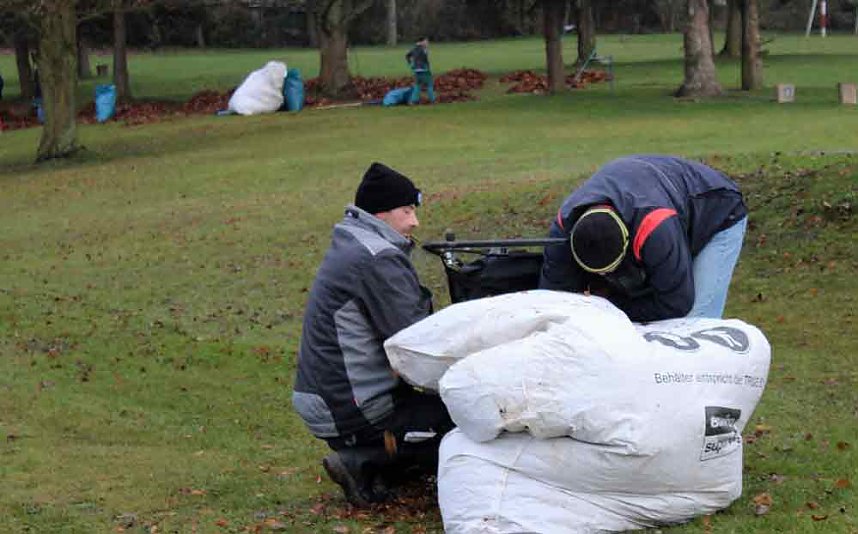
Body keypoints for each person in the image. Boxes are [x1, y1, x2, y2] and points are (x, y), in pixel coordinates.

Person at [292, 162, 453, 507]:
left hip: (329, 397)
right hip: (350, 406)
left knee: (439, 413)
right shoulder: (376, 257)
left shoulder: (354, 241)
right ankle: (363, 462)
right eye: (407, 211)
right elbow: (418, 342)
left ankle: (377, 458)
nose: (415, 222)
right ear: (381, 213)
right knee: (461, 419)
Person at [540, 155, 748, 323]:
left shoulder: (656, 227)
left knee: (691, 326)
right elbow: (553, 299)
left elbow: (676, 303)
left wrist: (608, 307)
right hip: (655, 193)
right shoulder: (564, 229)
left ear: (628, 243)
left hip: (718, 210)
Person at [405, 37, 435, 105]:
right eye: (426, 42)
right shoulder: (424, 49)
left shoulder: (413, 49)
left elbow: (407, 56)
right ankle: (432, 100)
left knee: (417, 85)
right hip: (424, 70)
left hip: (416, 70)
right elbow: (426, 60)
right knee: (429, 85)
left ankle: (414, 101)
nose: (427, 43)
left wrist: (411, 64)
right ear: (421, 42)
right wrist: (429, 69)